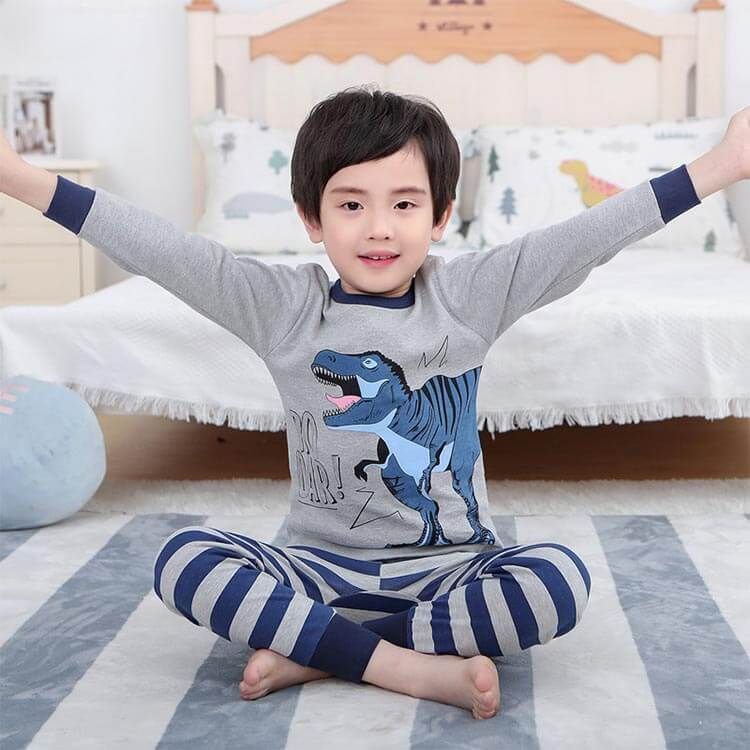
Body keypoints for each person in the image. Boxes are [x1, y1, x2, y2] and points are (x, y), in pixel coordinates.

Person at [1, 88, 747, 721]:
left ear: (441, 215)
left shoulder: (469, 296)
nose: (380, 227)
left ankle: (321, 650)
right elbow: (159, 248)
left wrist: (721, 165)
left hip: (452, 567)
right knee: (182, 560)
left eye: (405, 203)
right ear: (311, 218)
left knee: (559, 580)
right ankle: (407, 665)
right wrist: (17, 174)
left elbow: (589, 235)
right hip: (314, 566)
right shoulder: (282, 307)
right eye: (351, 203)